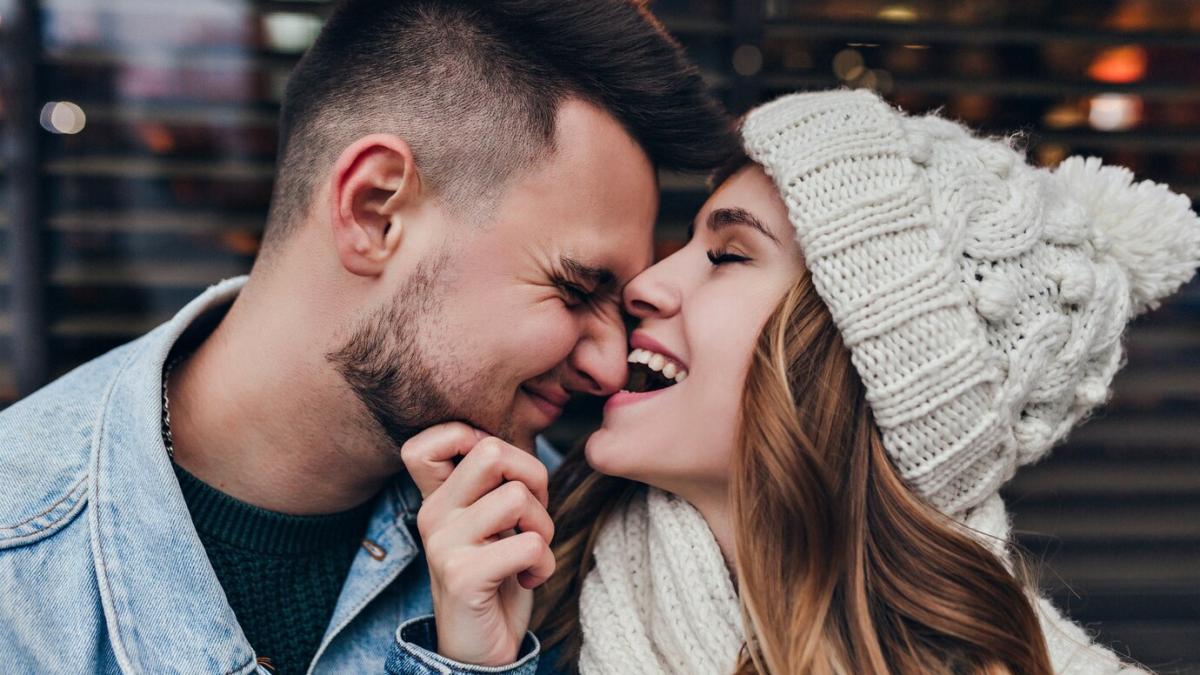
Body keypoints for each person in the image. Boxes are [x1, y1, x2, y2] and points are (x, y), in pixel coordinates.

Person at [0, 1, 737, 672]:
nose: (611, 365)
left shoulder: (573, 543)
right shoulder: (20, 571)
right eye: (576, 289)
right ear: (375, 210)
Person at [398, 89, 1200, 674]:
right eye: (688, 242)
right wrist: (476, 665)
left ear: (860, 367)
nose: (645, 283)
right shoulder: (523, 586)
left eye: (729, 255)